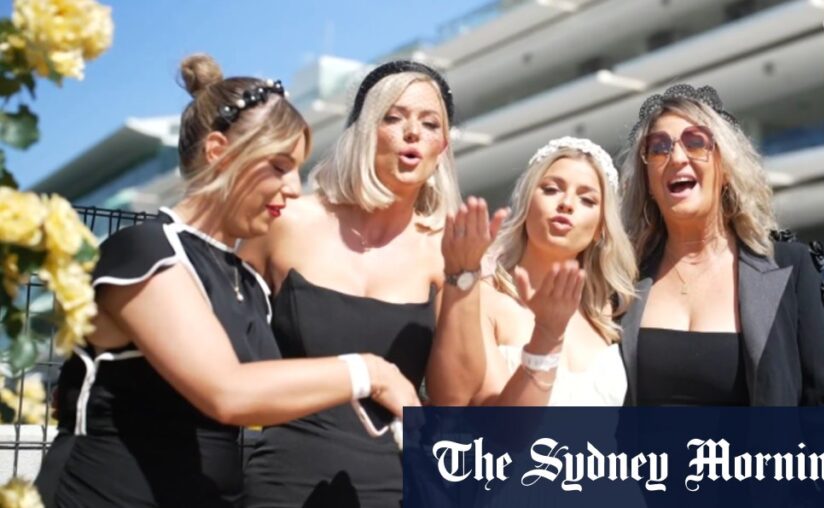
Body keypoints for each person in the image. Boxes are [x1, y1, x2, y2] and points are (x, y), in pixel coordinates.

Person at [34, 54, 420, 508]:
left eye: (296, 168)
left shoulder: (247, 283)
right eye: (278, 166)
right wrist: (370, 372)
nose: (295, 187)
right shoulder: (145, 250)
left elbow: (273, 390)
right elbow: (228, 392)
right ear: (218, 152)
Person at [240, 60, 505, 508]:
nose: (412, 133)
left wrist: (463, 279)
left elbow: (452, 398)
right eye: (394, 117)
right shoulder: (288, 222)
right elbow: (227, 347)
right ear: (364, 130)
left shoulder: (448, 250)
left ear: (442, 145)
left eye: (429, 123)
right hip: (278, 477)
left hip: (393, 486)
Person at [616, 83, 824, 406]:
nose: (676, 157)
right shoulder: (621, 279)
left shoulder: (789, 267)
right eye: (659, 147)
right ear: (648, 180)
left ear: (725, 168)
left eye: (696, 142)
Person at [468, 137, 636, 407]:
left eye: (587, 199)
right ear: (526, 204)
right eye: (551, 189)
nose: (567, 203)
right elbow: (496, 427)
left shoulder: (615, 313)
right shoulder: (482, 298)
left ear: (601, 229)